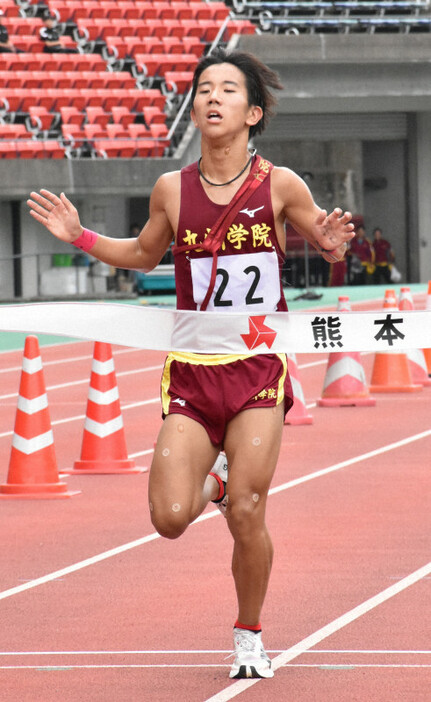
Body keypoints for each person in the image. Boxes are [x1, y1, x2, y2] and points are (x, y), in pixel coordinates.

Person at [27, 48, 354, 680]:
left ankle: (248, 635)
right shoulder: (170, 189)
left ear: (252, 111)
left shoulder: (280, 184)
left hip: (258, 369)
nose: (212, 97)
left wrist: (334, 246)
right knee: (170, 518)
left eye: (228, 90)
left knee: (249, 512)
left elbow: (324, 239)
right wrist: (81, 238)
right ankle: (222, 483)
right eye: (204, 88)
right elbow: (144, 253)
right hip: (194, 373)